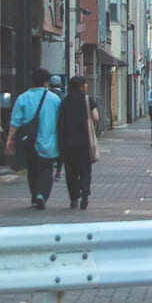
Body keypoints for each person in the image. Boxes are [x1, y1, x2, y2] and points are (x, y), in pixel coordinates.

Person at [5, 67, 62, 210]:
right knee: (46, 169)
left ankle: (34, 195)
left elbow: (15, 121)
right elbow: (60, 120)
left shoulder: (23, 98)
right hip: (49, 141)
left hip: (29, 140)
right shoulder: (54, 99)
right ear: (45, 82)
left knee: (32, 169)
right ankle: (42, 194)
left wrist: (9, 139)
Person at [57, 75, 99, 209]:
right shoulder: (87, 100)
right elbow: (96, 117)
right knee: (85, 169)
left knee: (71, 171)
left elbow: (60, 121)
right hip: (84, 141)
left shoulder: (65, 101)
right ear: (81, 86)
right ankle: (85, 193)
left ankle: (73, 198)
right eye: (85, 84)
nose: (86, 86)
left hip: (68, 141)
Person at [49, 75, 65, 181]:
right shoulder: (64, 97)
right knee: (61, 150)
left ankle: (49, 171)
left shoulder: (47, 97)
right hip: (62, 128)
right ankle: (58, 172)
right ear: (61, 84)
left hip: (49, 127)